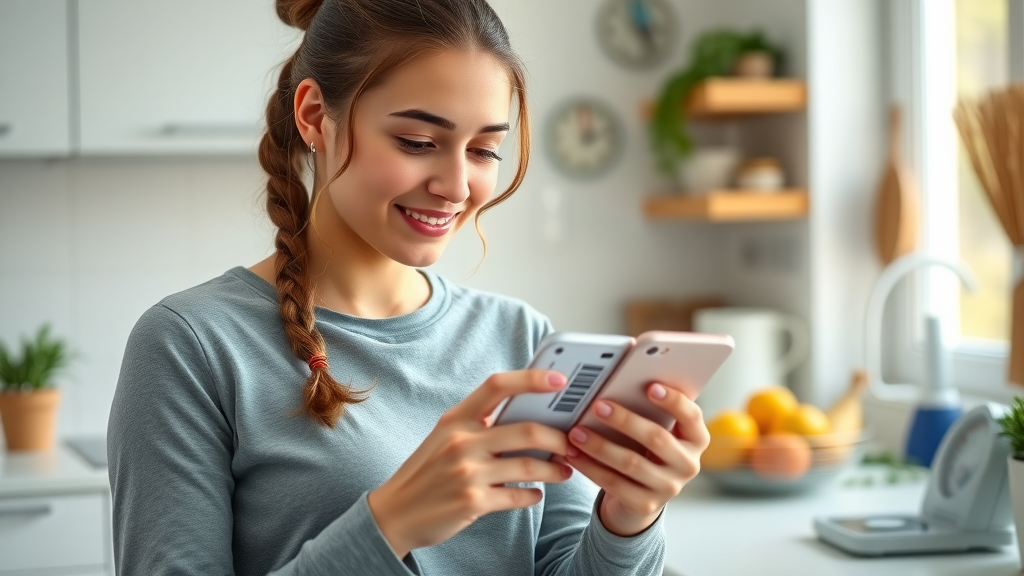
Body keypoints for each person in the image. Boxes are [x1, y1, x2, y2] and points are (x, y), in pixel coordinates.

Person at [107, 1, 709, 574]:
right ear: (315, 115)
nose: (455, 185)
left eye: (483, 150)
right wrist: (390, 523)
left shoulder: (519, 336)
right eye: (419, 143)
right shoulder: (191, 346)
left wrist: (629, 518)